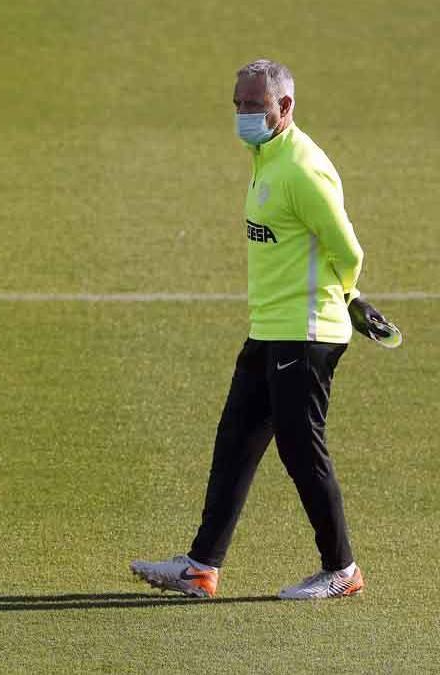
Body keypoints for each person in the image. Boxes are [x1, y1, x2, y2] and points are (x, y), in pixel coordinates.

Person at [129, 59, 395, 600]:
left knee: (302, 450)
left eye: (254, 105)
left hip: (306, 332)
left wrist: (344, 297)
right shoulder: (264, 156)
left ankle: (342, 570)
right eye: (238, 105)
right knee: (236, 443)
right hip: (271, 327)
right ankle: (202, 568)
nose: (244, 115)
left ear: (284, 107)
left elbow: (348, 250)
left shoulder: (301, 168)